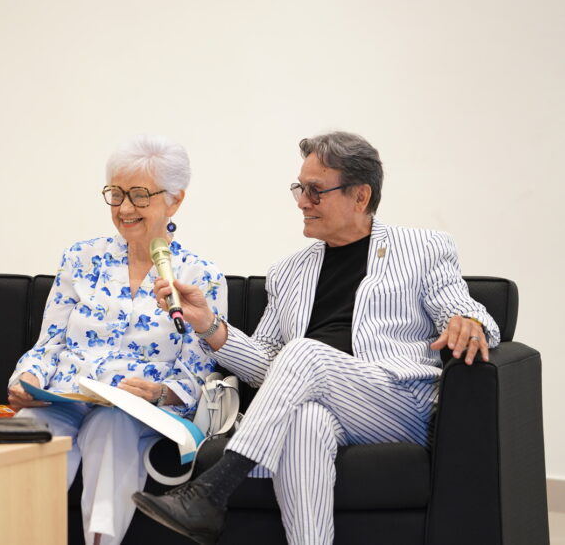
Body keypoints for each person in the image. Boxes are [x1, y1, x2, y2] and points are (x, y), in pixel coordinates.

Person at [132, 131, 500, 545]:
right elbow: (270, 365)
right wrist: (207, 325)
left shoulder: (423, 247)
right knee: (306, 421)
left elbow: (467, 312)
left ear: (360, 196)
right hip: (325, 399)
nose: (302, 202)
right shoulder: (289, 271)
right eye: (299, 189)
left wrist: (468, 320)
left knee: (306, 352)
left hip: (400, 401)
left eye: (315, 191)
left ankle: (213, 490)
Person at [7, 134, 228, 545]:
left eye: (140, 195)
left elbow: (197, 372)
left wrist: (160, 392)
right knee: (28, 429)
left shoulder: (200, 275)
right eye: (116, 194)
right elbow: (49, 343)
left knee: (112, 427)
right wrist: (29, 379)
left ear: (174, 200)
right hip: (66, 396)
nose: (124, 208)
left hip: (135, 410)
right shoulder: (81, 258)